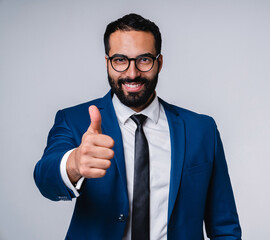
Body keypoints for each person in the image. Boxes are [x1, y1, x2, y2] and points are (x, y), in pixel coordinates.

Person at [34, 13, 242, 240]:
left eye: (144, 59)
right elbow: (45, 179)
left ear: (159, 63)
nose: (132, 73)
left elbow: (225, 227)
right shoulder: (75, 120)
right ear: (107, 62)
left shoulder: (202, 130)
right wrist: (73, 163)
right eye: (120, 60)